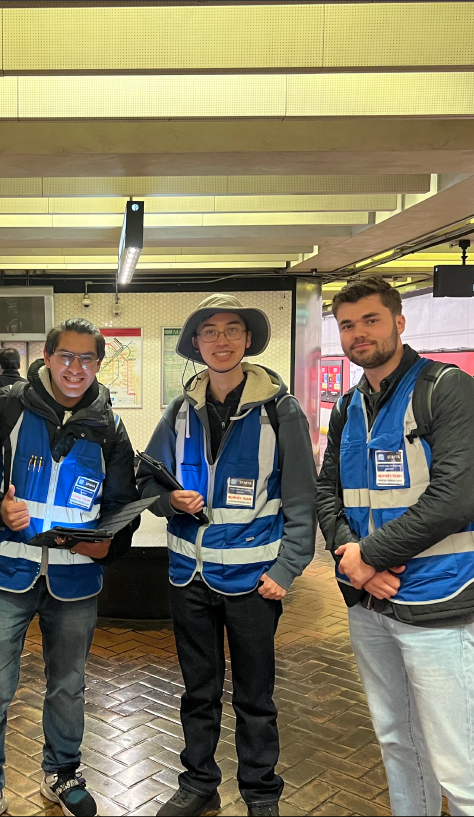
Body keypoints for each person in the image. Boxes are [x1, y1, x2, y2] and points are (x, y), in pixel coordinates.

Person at [316, 277, 474, 817]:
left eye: (371, 320)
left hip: (440, 598)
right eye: (347, 324)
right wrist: (353, 558)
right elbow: (329, 489)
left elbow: (457, 496)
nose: (358, 334)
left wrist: (366, 557)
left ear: (399, 322)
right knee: (399, 742)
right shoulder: (350, 403)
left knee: (459, 759)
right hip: (370, 602)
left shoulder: (448, 389)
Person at [139, 294, 316, 817]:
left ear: (247, 341)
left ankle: (261, 792)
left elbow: (302, 498)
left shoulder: (280, 410)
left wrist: (287, 569)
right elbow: (147, 478)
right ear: (196, 343)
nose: (221, 340)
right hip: (187, 577)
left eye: (232, 330)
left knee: (256, 697)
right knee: (198, 691)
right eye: (210, 331)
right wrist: (167, 499)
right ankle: (199, 784)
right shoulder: (179, 410)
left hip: (254, 581)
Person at [0, 318, 140, 817]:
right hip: (5, 572)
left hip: (76, 579)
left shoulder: (111, 427)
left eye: (87, 359)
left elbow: (122, 503)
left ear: (99, 364)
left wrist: (113, 545)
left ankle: (61, 774)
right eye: (66, 356)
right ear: (47, 354)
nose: (75, 368)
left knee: (68, 684)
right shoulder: (7, 406)